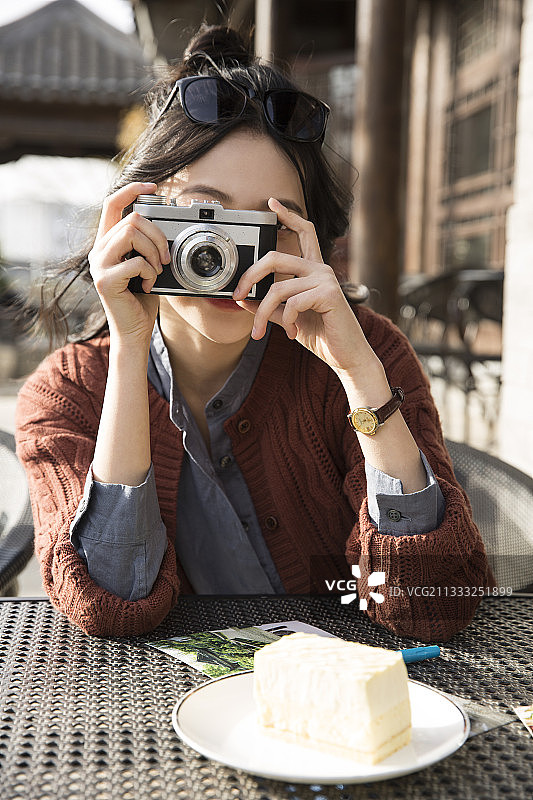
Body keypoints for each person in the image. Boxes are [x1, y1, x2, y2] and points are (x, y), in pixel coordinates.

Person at [15, 25, 491, 640]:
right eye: (205, 219)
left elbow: (434, 607)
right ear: (140, 219)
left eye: (265, 225)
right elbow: (107, 606)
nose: (229, 258)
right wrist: (129, 346)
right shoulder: (68, 394)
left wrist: (361, 379)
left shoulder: (367, 354)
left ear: (311, 238)